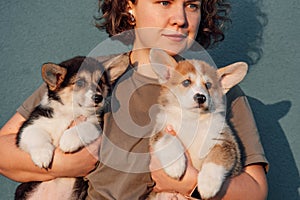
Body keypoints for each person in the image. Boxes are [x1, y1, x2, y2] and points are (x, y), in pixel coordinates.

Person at [0, 0, 268, 199]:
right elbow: (3, 151)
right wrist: (65, 163)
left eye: (192, 6)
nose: (180, 18)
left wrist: (190, 184)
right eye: (164, 2)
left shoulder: (215, 92)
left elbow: (256, 190)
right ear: (130, 7)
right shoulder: (90, 75)